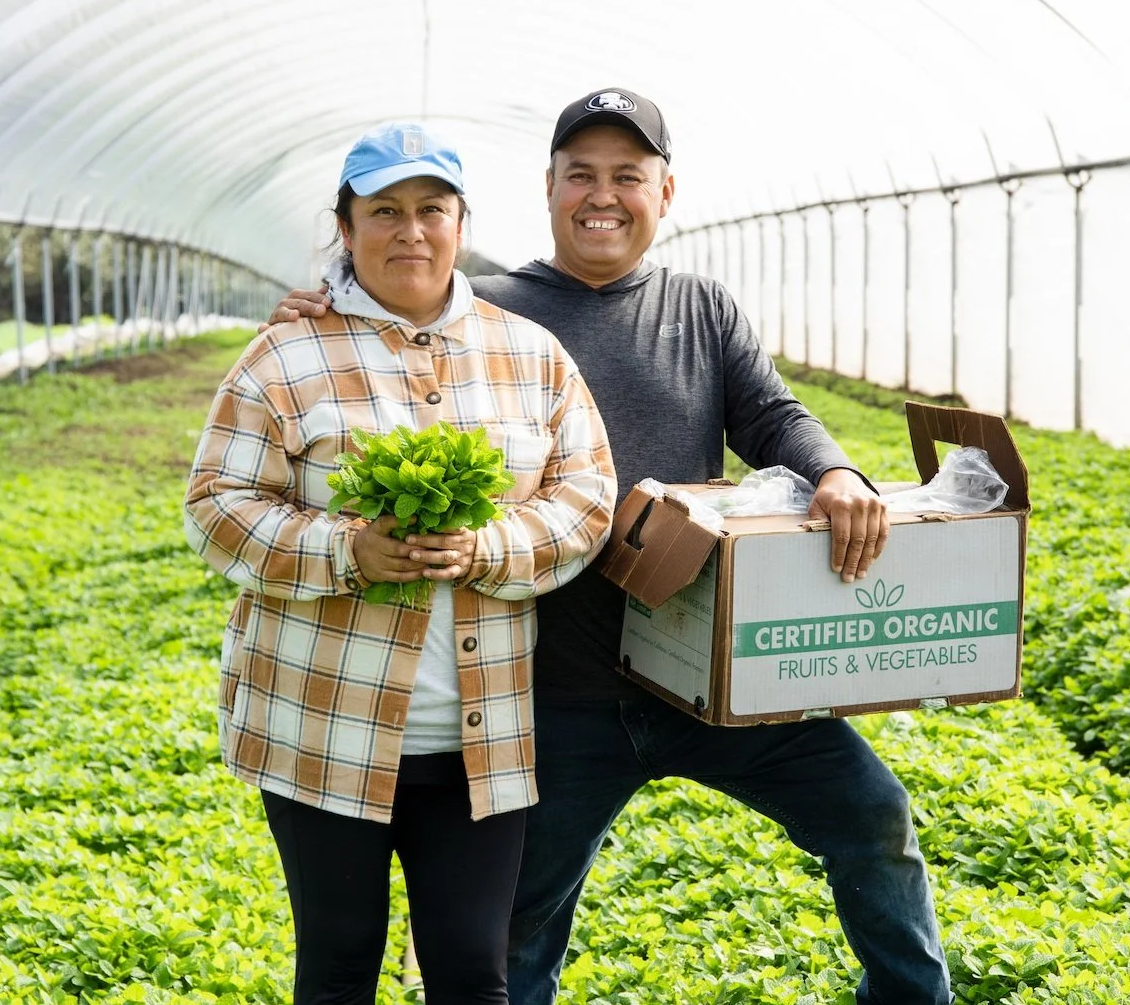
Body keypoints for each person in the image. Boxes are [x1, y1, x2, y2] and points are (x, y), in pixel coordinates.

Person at [267, 89, 953, 1005]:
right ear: (546, 189)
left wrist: (836, 473)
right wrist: (325, 309)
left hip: (713, 675)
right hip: (561, 691)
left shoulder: (700, 307)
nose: (603, 195)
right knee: (512, 935)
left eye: (627, 176)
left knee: (874, 817)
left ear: (665, 193)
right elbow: (379, 345)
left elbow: (772, 415)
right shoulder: (489, 313)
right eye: (580, 174)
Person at [186, 122, 616, 1004]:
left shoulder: (530, 354)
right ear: (345, 228)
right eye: (384, 211)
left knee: (471, 971)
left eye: (432, 209)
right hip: (321, 724)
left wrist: (488, 545)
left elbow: (588, 496)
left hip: (480, 736)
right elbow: (215, 508)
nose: (410, 231)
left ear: (462, 224)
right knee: (340, 965)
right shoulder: (284, 356)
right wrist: (348, 549)